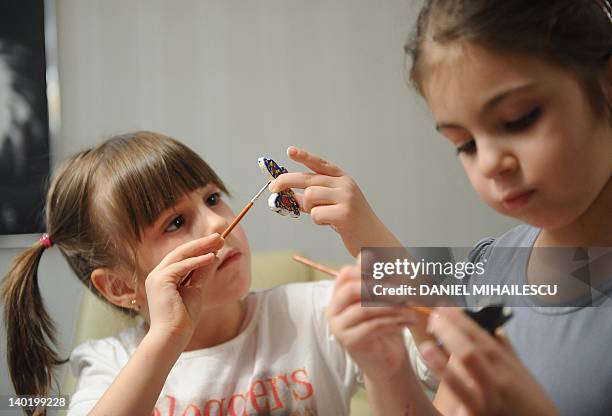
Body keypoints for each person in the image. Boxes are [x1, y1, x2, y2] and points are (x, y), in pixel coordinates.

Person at [269, 1, 611, 415]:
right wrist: (388, 372)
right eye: (464, 144)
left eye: (519, 119)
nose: (488, 163)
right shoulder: (493, 267)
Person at [1, 131, 437, 416]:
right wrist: (167, 336)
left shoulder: (318, 313)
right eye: (175, 222)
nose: (214, 224)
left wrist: (372, 238)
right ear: (118, 286)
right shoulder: (111, 365)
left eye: (212, 199)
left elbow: (445, 365)